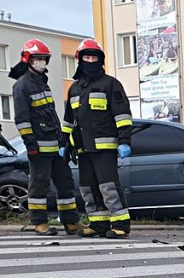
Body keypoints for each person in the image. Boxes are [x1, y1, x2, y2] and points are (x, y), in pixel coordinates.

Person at [62, 38, 133, 239]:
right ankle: (98, 223)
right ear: (80, 60)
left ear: (100, 60)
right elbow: (68, 120)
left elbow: (123, 115)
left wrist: (125, 141)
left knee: (108, 186)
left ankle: (120, 224)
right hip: (83, 148)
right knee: (88, 188)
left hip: (105, 148)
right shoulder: (74, 89)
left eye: (94, 57)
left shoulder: (110, 84)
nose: (90, 61)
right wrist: (64, 143)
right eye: (87, 57)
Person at [10, 39, 80, 236]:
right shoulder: (22, 85)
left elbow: (51, 116)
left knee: (65, 182)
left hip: (54, 146)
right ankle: (39, 223)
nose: (41, 62)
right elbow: (22, 119)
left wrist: (62, 142)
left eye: (43, 58)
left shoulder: (42, 83)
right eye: (37, 58)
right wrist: (30, 144)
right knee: (39, 185)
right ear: (28, 59)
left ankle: (71, 222)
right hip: (38, 147)